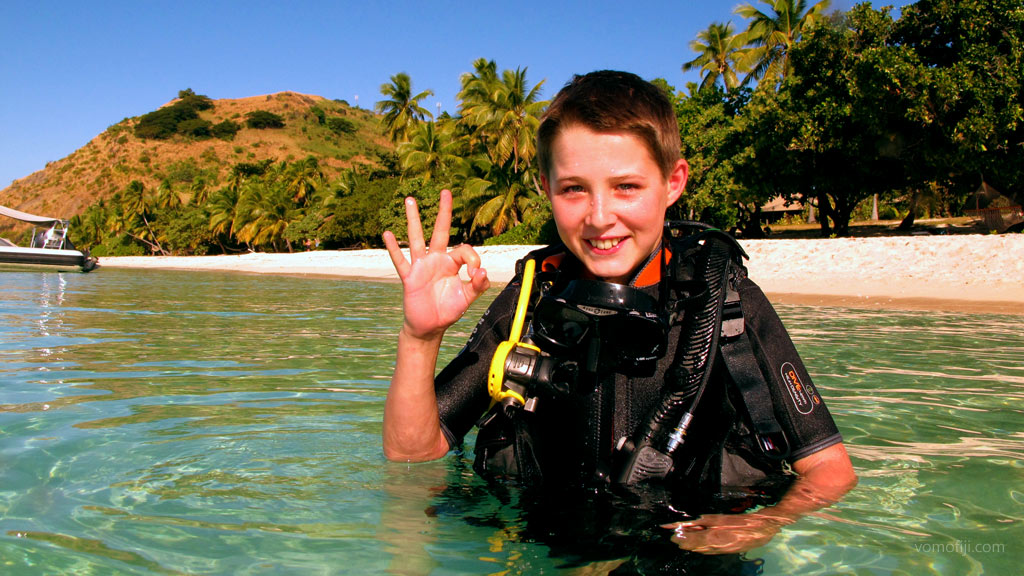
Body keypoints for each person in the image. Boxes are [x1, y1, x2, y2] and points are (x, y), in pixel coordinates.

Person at [383, 70, 856, 556]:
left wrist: (768, 523)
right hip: (551, 555)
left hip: (691, 560)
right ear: (546, 188)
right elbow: (411, 451)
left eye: (626, 186)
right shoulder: (532, 299)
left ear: (673, 182)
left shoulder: (729, 304)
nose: (600, 216)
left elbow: (829, 468)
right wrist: (420, 338)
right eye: (574, 189)